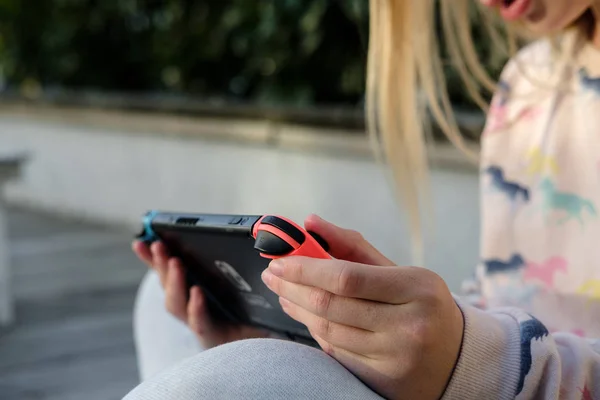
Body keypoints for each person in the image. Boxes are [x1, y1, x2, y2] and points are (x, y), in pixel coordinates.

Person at [126, 0, 600, 398]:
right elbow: (508, 291)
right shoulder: (529, 81)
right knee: (172, 306)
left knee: (240, 377)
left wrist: (470, 362)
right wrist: (374, 330)